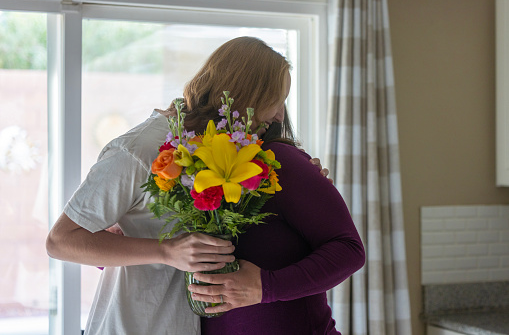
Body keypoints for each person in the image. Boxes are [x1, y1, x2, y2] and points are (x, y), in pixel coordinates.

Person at [44, 36, 352, 335]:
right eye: (276, 102)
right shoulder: (137, 151)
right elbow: (60, 241)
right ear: (246, 98)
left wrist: (309, 184)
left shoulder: (223, 152)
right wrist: (163, 250)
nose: (278, 116)